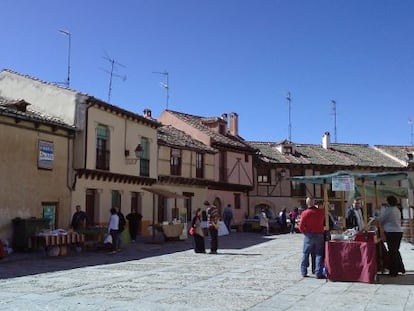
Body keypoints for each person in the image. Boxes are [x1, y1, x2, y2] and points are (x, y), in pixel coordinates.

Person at [375, 195, 406, 276]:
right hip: (398, 231)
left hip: (391, 232)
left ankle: (393, 271)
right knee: (395, 250)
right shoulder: (397, 209)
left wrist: (377, 213)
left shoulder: (389, 210)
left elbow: (380, 219)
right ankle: (400, 268)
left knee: (392, 251)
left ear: (389, 202)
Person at [298, 197, 326, 279]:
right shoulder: (321, 212)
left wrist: (305, 232)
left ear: (307, 203)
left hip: (309, 235)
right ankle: (318, 272)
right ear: (314, 203)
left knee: (306, 253)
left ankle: (304, 271)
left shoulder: (305, 213)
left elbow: (301, 226)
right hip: (319, 234)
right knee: (318, 254)